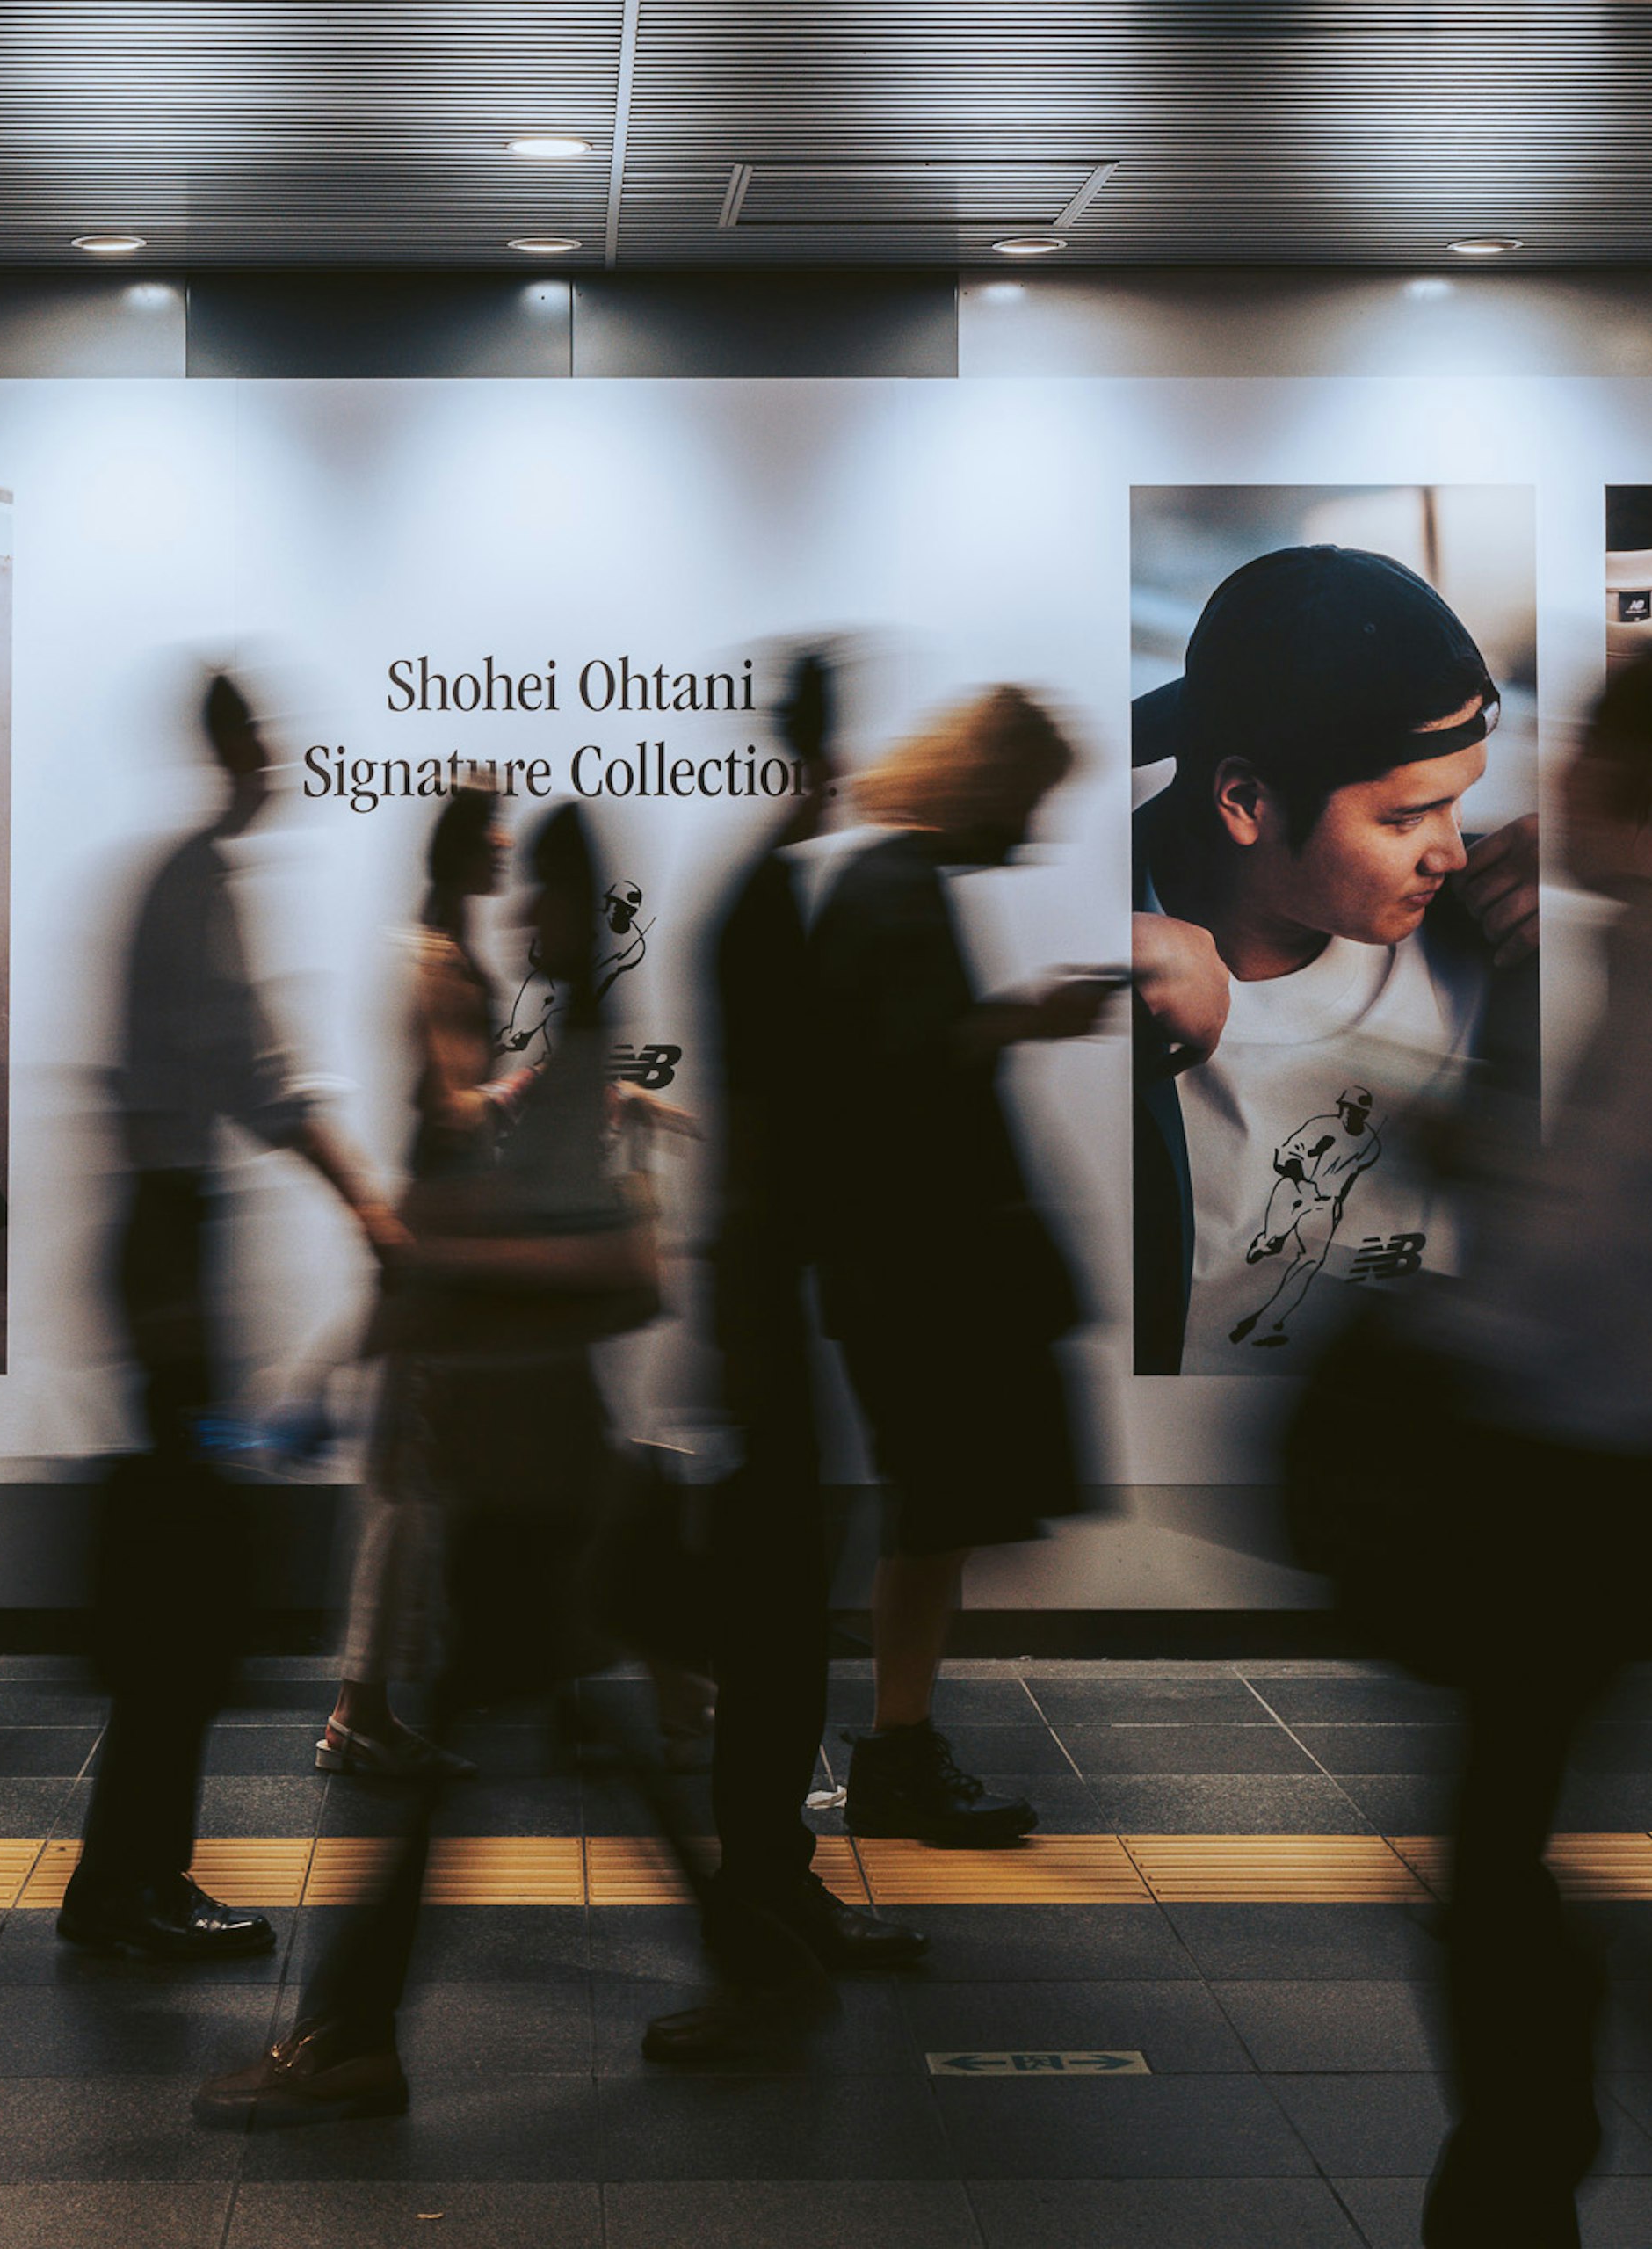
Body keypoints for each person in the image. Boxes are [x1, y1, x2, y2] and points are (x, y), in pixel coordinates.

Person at [198, 804, 747, 2124]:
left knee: (460, 1747)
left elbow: (622, 1274)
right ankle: (757, 1962)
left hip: (539, 1464)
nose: (526, 915)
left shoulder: (578, 1059)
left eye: (545, 894)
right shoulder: (555, 1057)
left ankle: (353, 2036)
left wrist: (445, 1268)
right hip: (538, 1455)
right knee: (558, 1730)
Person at [1286, 655, 1652, 2248]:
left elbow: (1589, 1238)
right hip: (1589, 1467)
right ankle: (1532, 2126)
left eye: (1586, 782)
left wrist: (1460, 1218)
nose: (1532, 816)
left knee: (1490, 1836)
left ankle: (1527, 2139)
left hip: (1597, 1476)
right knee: (1499, 1825)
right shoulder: (1635, 962)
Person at [61, 671, 406, 1962]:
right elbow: (254, 1069)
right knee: (182, 1583)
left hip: (162, 1249)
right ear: (230, 745)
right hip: (166, 1265)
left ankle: (130, 1870)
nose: (283, 755)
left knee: (182, 1574)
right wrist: (368, 1202)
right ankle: (130, 1881)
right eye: (266, 734)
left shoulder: (181, 876)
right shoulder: (196, 882)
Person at [643, 651, 924, 2066]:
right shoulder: (776, 902)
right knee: (768, 1638)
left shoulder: (766, 892)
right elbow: (805, 1115)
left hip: (771, 1323)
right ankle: (757, 1918)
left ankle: (772, 1897)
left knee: (777, 1637)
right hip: (770, 1330)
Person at [807, 686, 1112, 1847]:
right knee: (933, 1513)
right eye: (1032, 797)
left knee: (930, 1514)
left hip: (900, 1270)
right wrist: (1018, 1023)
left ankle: (900, 1739)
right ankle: (895, 1750)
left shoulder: (884, 885)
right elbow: (895, 1073)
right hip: (914, 1273)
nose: (1036, 827)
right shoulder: (894, 891)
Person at [1129, 543, 1539, 1372]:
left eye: (1458, 802)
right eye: (1406, 818)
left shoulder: (1501, 935)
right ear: (1246, 800)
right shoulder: (1096, 968)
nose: (1451, 853)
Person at [320, 784, 514, 1778]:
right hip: (443, 1238)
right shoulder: (434, 957)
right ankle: (361, 1711)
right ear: (457, 846)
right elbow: (449, 1110)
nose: (508, 844)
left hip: (446, 1234)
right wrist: (541, 1091)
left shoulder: (437, 949)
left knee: (417, 1476)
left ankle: (368, 1706)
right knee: (409, 1481)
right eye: (493, 831)